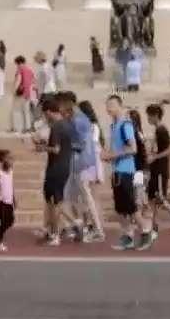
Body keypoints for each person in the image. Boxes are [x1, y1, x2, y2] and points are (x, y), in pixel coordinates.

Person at [103, 94, 148, 249]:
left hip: (126, 171)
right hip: (116, 171)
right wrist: (108, 157)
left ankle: (146, 231)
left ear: (119, 106)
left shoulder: (125, 125)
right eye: (107, 105)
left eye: (112, 105)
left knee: (131, 207)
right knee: (121, 209)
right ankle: (127, 235)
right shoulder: (113, 126)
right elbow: (115, 148)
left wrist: (112, 155)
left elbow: (133, 148)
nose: (109, 108)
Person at [36, 95, 74, 246]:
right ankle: (53, 230)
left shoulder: (57, 126)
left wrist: (42, 148)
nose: (45, 118)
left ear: (49, 112)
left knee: (55, 202)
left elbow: (56, 149)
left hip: (56, 168)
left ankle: (56, 233)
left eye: (45, 114)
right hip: (63, 166)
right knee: (53, 201)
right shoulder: (67, 124)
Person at [67, 95, 104, 242]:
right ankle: (91, 225)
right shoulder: (93, 125)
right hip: (92, 162)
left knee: (87, 197)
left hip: (87, 163)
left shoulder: (88, 126)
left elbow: (87, 145)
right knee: (87, 197)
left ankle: (97, 229)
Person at [144, 103, 170, 231]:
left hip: (160, 169)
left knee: (159, 197)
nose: (148, 119)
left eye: (149, 116)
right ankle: (153, 224)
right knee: (151, 197)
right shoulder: (157, 130)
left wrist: (155, 157)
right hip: (155, 169)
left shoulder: (162, 130)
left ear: (155, 116)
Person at [11, 55, 38, 134]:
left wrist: (14, 90)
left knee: (18, 110)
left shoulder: (20, 70)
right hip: (29, 92)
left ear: (18, 63)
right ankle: (28, 127)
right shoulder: (30, 70)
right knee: (27, 110)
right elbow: (34, 81)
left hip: (21, 92)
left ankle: (18, 128)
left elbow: (18, 80)